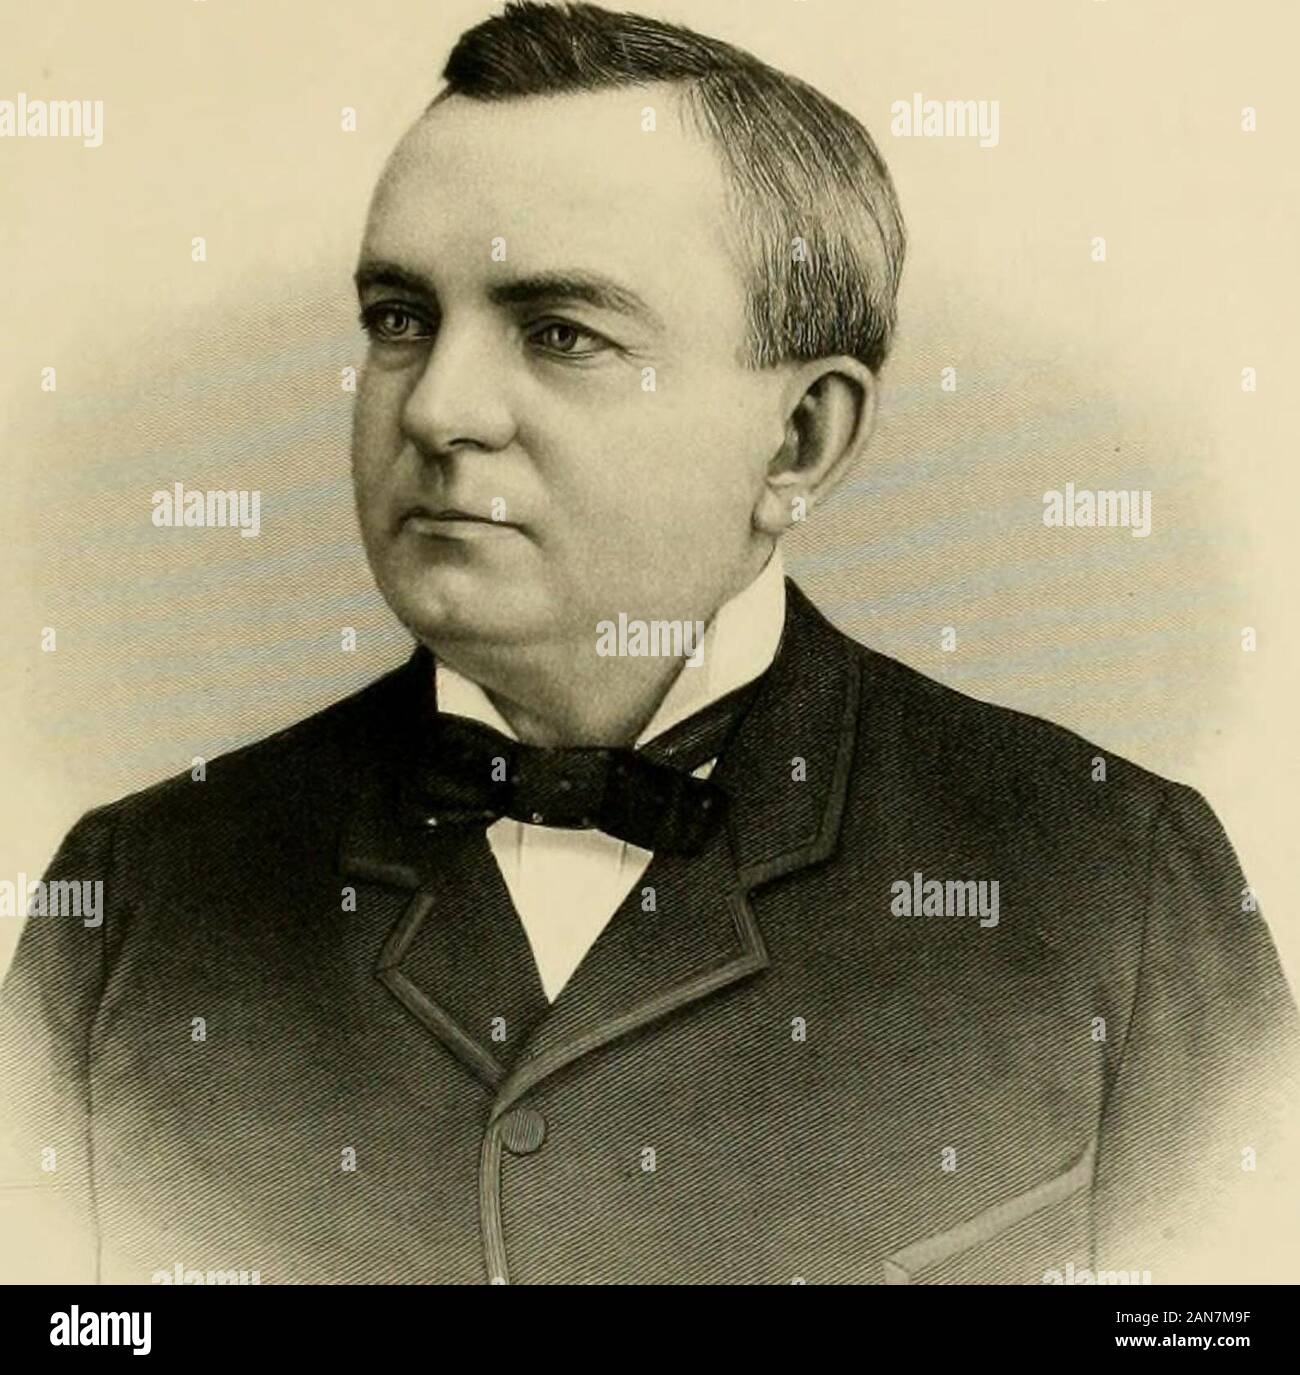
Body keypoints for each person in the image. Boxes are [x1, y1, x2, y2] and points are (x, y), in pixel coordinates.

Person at [1, 1, 1295, 1285]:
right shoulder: (128, 905)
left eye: (561, 333)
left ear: (800, 442)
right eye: (401, 318)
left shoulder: (1114, 890)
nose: (439, 409)